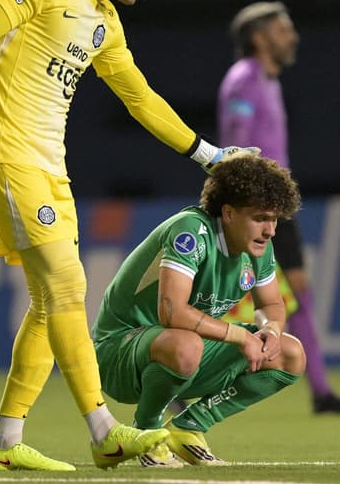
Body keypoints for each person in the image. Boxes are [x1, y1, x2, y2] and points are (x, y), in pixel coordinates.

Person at [0, 0, 255, 472]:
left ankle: (4, 441)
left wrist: (206, 153)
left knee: (46, 302)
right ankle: (104, 430)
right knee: (68, 289)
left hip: (50, 167)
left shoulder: (104, 21)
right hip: (6, 155)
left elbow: (139, 96)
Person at [92, 155, 306, 468]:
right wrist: (239, 336)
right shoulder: (190, 233)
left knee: (289, 353)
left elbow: (271, 304)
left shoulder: (258, 245)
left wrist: (269, 329)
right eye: (260, 218)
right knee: (185, 344)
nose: (270, 230)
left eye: (274, 219)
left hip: (181, 352)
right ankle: (147, 432)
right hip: (119, 353)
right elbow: (172, 312)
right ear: (229, 213)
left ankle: (188, 426)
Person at [217, 1, 340, 414]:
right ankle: (182, 382)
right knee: (231, 296)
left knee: (296, 294)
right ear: (259, 37)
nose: (292, 36)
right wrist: (245, 202)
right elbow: (235, 139)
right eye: (283, 29)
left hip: (275, 206)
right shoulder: (244, 80)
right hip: (256, 205)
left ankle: (321, 390)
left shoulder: (267, 81)